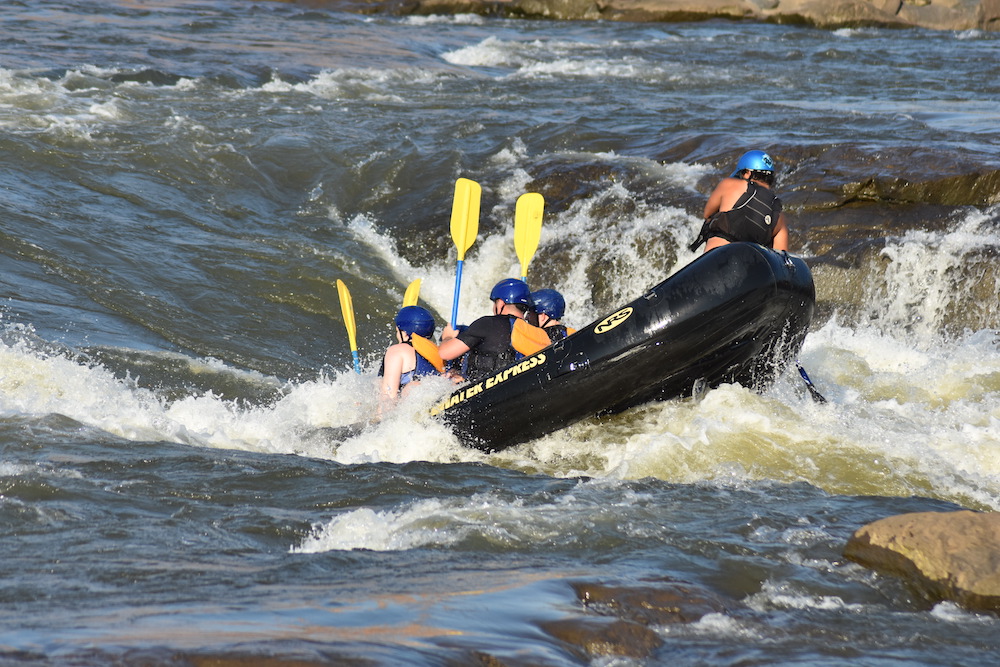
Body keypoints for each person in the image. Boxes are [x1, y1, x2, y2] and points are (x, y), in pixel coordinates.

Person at [690, 150, 789, 253]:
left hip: (717, 260)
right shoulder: (779, 216)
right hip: (749, 265)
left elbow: (707, 214)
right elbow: (781, 257)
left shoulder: (729, 184)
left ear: (747, 173)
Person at [438, 278, 532, 383]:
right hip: (515, 385)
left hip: (483, 391)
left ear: (500, 303)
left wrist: (448, 337)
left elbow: (445, 353)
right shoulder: (534, 332)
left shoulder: (488, 323)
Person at [378, 306, 444, 405]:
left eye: (397, 331)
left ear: (404, 334)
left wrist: (378, 418)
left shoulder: (397, 351)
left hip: (413, 401)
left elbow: (389, 395)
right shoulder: (437, 351)